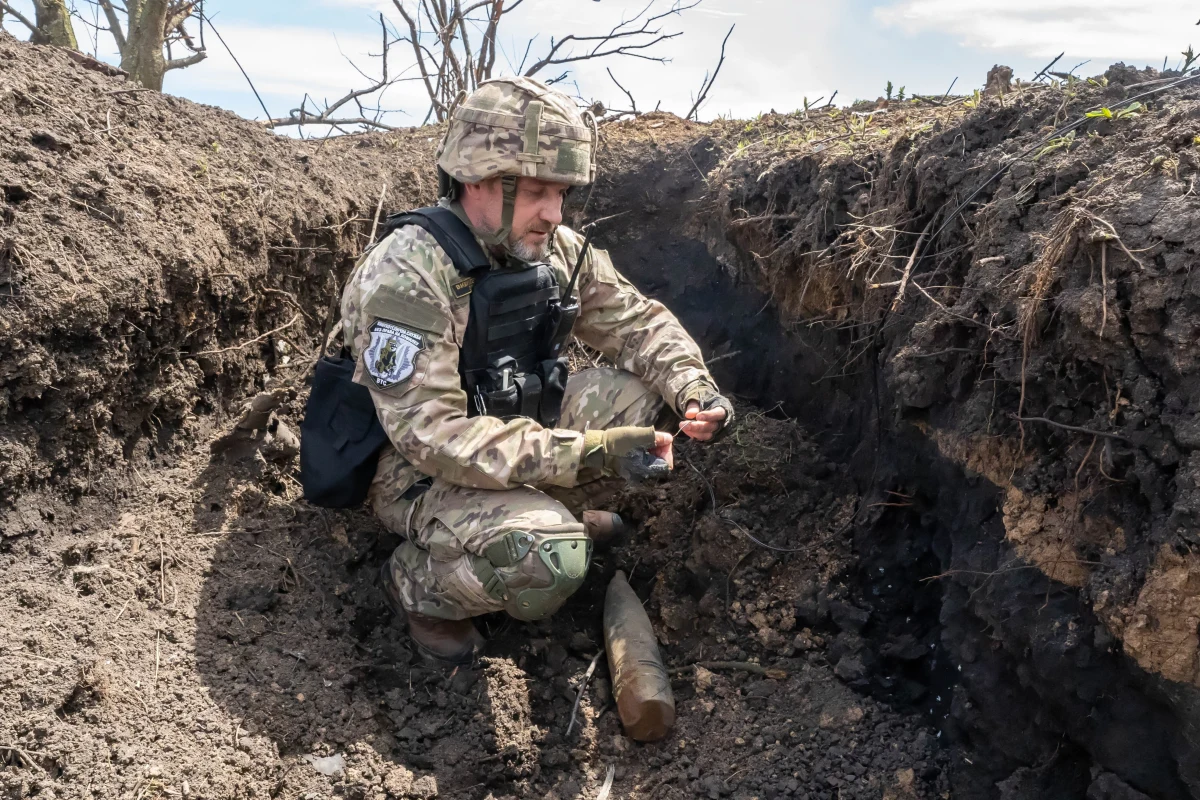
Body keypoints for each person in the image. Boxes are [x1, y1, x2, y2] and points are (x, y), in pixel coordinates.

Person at [339, 76, 734, 665]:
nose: (553, 214)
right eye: (535, 192)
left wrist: (693, 389)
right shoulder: (408, 273)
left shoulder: (556, 250)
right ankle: (420, 586)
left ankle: (548, 513)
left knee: (647, 402)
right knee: (547, 559)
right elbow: (431, 436)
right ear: (476, 178)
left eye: (562, 194)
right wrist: (589, 452)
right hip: (417, 474)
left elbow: (635, 323)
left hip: (514, 428)